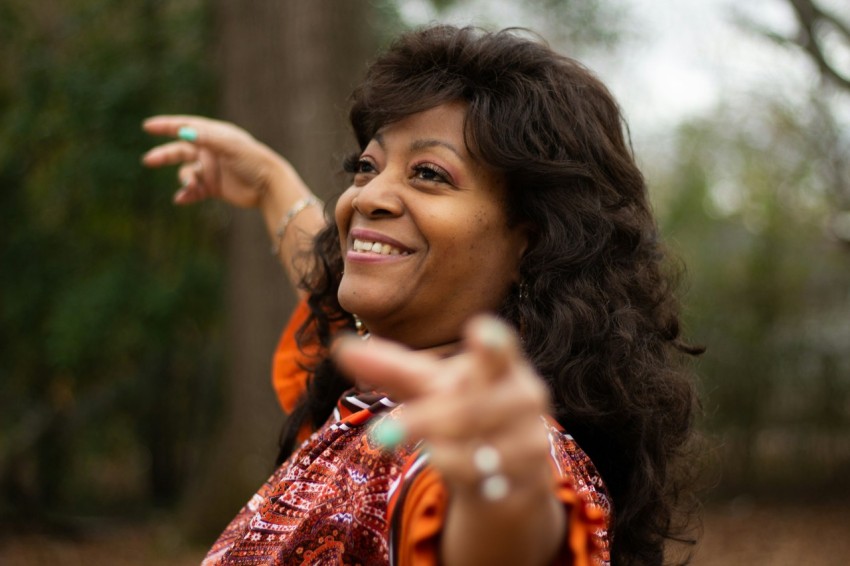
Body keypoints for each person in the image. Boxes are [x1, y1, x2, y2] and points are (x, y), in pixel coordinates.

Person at [142, 25, 701, 566]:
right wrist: (268, 182)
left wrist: (506, 515)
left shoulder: (473, 449)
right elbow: (330, 294)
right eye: (367, 166)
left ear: (531, 245)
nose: (367, 196)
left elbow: (500, 526)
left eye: (429, 173)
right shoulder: (372, 395)